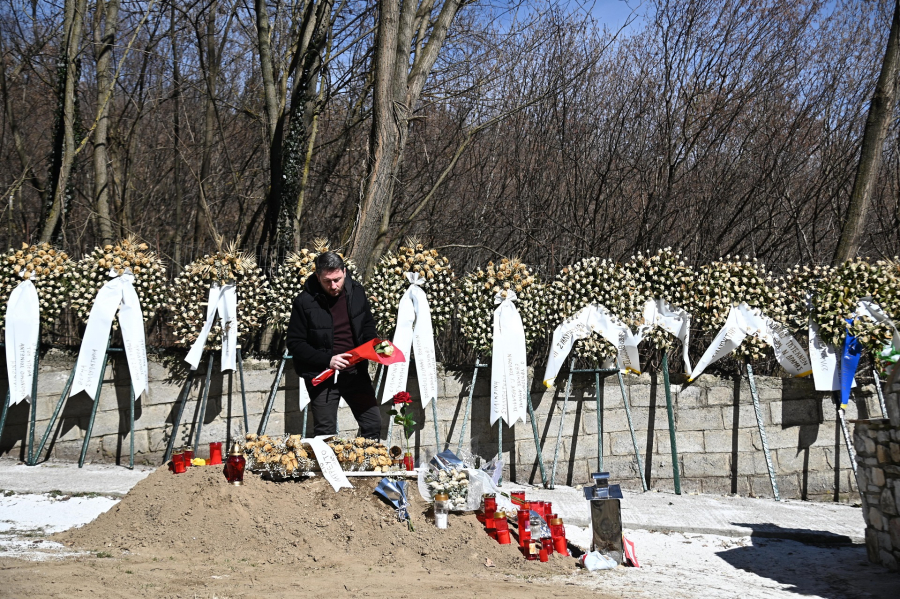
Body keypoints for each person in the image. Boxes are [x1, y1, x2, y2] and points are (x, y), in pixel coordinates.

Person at [285, 251, 382, 439]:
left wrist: (372, 345)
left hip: (356, 371)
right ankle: (328, 468)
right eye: (327, 281)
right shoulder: (304, 302)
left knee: (373, 423)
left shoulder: (357, 291)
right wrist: (327, 360)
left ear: (344, 272)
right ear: (317, 277)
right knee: (325, 432)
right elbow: (295, 343)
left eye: (337, 279)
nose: (334, 285)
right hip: (323, 376)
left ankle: (367, 466)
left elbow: (367, 324)